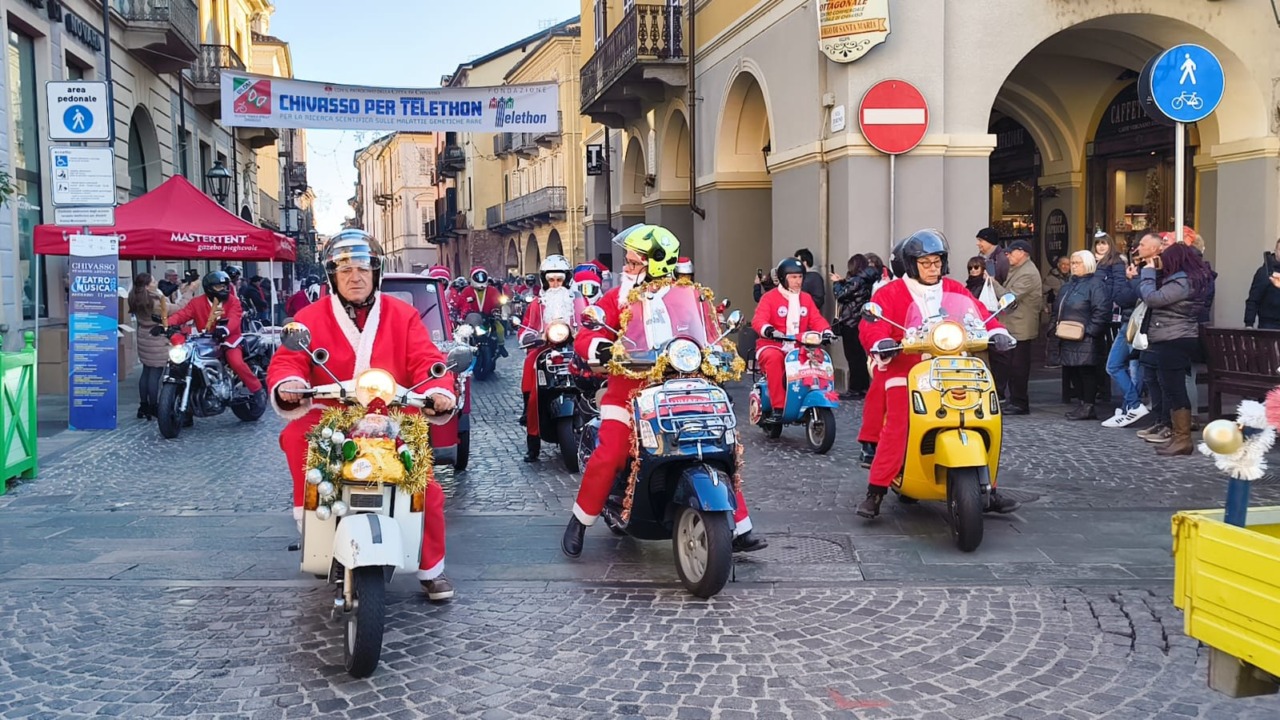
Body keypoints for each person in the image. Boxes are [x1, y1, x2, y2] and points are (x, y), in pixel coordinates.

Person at [268, 229, 459, 601]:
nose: (355, 277)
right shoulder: (310, 316)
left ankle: (430, 569)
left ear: (376, 272)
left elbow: (426, 360)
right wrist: (290, 383)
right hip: (331, 416)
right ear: (331, 277)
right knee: (297, 440)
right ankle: (314, 526)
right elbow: (289, 360)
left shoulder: (402, 315)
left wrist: (437, 390)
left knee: (428, 489)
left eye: (362, 269)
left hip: (392, 415)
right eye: (345, 271)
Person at [562, 224, 767, 558]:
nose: (626, 269)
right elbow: (588, 331)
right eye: (627, 262)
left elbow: (705, 329)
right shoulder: (618, 298)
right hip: (628, 392)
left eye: (632, 263)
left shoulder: (686, 296)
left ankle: (739, 526)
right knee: (610, 452)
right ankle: (579, 521)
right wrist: (599, 346)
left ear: (655, 262)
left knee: (713, 442)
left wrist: (717, 350)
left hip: (682, 388)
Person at [857, 229, 1019, 518]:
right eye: (925, 263)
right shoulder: (890, 292)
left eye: (937, 262)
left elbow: (979, 313)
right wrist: (880, 341)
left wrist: (997, 331)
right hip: (905, 366)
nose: (933, 268)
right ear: (911, 264)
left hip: (953, 365)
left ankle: (988, 487)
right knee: (899, 421)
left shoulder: (955, 289)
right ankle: (876, 489)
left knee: (981, 413)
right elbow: (872, 322)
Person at [1138, 243, 1211, 456]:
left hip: (1175, 338)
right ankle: (1179, 438)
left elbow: (1153, 298)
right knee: (1170, 386)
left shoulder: (1182, 281)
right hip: (1173, 336)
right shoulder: (1187, 278)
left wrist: (1149, 273)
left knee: (1175, 388)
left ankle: (1183, 439)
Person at [753, 257, 834, 418]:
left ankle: (813, 397)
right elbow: (758, 320)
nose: (798, 281)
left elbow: (816, 319)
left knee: (817, 357)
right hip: (772, 344)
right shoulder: (769, 297)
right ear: (783, 278)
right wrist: (768, 330)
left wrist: (826, 331)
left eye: (800, 277)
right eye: (793, 277)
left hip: (798, 344)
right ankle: (778, 406)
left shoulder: (806, 298)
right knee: (774, 358)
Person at [518, 255, 579, 462]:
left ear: (566, 280)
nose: (555, 284)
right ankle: (532, 437)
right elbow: (527, 326)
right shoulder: (537, 303)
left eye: (559, 280)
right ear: (545, 280)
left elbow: (586, 320)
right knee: (531, 369)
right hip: (544, 346)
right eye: (551, 280)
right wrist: (530, 337)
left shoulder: (577, 300)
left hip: (574, 346)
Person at [1055, 250, 1110, 420]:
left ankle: (1088, 405)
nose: (1073, 266)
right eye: (1072, 263)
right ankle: (1081, 403)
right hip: (1068, 334)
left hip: (1086, 336)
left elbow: (1101, 311)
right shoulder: (1068, 285)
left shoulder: (1096, 284)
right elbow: (1058, 308)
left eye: (1077, 263)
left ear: (1088, 264)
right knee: (1073, 371)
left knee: (1087, 372)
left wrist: (1090, 331)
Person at [1101, 236, 1148, 428]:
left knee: (1132, 369)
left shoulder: (1146, 272)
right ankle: (1131, 406)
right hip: (1129, 322)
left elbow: (1124, 296)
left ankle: (1132, 407)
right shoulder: (1138, 270)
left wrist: (1131, 279)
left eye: (1140, 247)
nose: (1137, 251)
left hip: (1137, 324)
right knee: (1115, 366)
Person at [991, 240, 1043, 414]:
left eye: (1011, 252)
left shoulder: (1028, 273)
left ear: (1021, 253)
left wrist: (993, 283)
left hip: (1021, 326)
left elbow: (1009, 297)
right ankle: (1015, 400)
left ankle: (1020, 402)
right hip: (1014, 324)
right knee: (1013, 365)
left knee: (1018, 367)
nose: (1008, 255)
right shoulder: (1019, 269)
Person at [830, 254, 880, 399]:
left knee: (853, 356)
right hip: (860, 321)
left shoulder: (857, 281)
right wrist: (843, 281)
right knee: (859, 356)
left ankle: (856, 388)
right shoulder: (866, 279)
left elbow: (840, 295)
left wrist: (836, 283)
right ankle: (862, 387)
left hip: (851, 322)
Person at [128, 273, 169, 420]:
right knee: (155, 374)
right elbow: (173, 309)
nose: (156, 281)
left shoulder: (135, 297)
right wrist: (188, 293)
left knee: (146, 371)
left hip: (143, 335)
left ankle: (143, 406)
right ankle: (154, 406)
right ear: (147, 286)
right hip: (156, 337)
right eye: (153, 280)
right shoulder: (154, 301)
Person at [1244, 239, 1280, 329]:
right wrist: (1249, 324)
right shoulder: (1264, 272)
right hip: (1269, 324)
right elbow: (1253, 299)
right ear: (1275, 250)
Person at [1042, 256, 1070, 368]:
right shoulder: (1051, 278)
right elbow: (1041, 293)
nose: (1065, 266)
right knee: (1054, 335)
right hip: (1055, 311)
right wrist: (1044, 306)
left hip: (1068, 311)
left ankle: (1061, 358)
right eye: (1063, 264)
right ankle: (1051, 360)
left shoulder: (1072, 277)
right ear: (1058, 265)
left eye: (1068, 264)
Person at [794, 248, 827, 312]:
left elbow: (819, 299)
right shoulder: (801, 276)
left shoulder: (815, 277)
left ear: (805, 263)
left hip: (808, 314)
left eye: (798, 262)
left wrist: (805, 304)